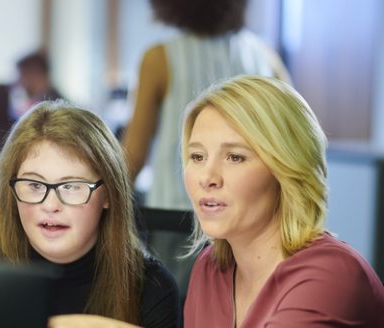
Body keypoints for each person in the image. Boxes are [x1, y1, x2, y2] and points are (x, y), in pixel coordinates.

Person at [45, 75, 384, 328]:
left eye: (235, 157)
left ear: (286, 170)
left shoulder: (333, 274)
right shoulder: (212, 268)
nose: (207, 176)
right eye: (196, 157)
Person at [0, 100, 181, 328]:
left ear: (107, 195)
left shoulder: (151, 289)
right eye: (33, 185)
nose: (50, 205)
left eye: (71, 186)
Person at [122, 0, 290, 210]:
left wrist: (104, 203)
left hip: (176, 214)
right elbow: (289, 143)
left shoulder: (159, 59)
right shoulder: (264, 58)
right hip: (247, 214)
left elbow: (135, 154)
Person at [8, 49, 64, 120]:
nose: (18, 81)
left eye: (21, 75)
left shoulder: (56, 109)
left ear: (35, 75)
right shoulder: (32, 102)